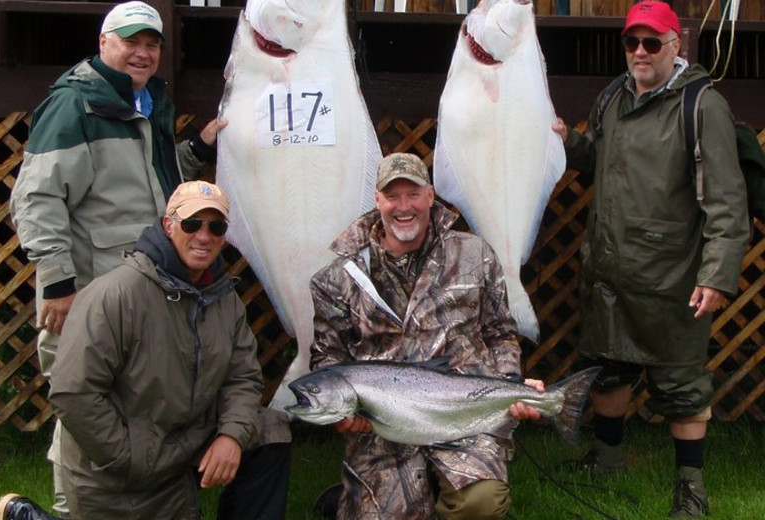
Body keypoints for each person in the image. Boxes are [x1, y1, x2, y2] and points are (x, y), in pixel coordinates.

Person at [9, 2, 227, 517]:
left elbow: (150, 178)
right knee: (82, 403)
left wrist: (195, 149)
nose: (143, 53)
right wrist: (59, 282)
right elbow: (35, 200)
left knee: (128, 401)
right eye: (131, 41)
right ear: (104, 41)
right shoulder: (76, 105)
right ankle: (67, 511)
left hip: (140, 288)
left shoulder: (143, 102)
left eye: (152, 44)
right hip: (86, 289)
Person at [552, 1, 749, 517]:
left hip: (672, 276)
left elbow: (727, 201)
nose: (639, 52)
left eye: (651, 42)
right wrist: (567, 142)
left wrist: (718, 275)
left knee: (682, 384)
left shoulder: (702, 106)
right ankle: (609, 459)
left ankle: (691, 486)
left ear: (675, 45)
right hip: (609, 270)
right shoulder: (614, 96)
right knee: (607, 368)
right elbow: (598, 157)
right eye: (631, 42)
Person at [0, 181, 290, 520]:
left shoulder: (225, 300)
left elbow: (243, 378)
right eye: (192, 223)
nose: (204, 236)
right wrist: (128, 457)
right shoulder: (115, 295)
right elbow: (73, 392)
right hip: (120, 466)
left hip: (186, 444)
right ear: (168, 226)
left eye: (217, 226)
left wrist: (231, 437)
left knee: (270, 430)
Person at [308, 152, 543, 520]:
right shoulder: (339, 278)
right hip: (382, 428)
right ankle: (362, 496)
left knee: (480, 505)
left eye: (413, 194)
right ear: (377, 200)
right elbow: (328, 359)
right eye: (393, 196)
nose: (404, 207)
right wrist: (343, 410)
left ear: (431, 196)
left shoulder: (474, 254)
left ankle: (450, 492)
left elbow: (500, 332)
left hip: (464, 416)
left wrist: (509, 383)